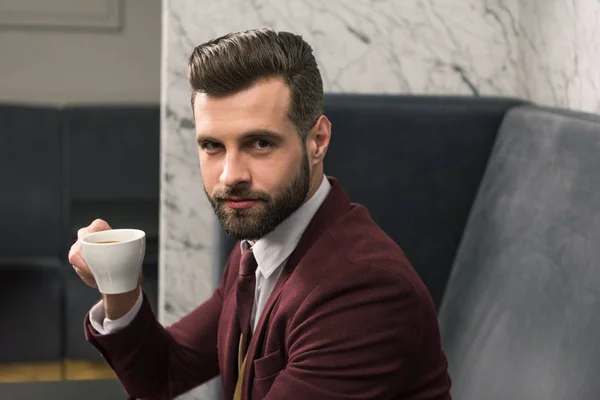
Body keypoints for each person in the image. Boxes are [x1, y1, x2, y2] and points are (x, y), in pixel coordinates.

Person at [68, 28, 452, 400]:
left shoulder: (365, 291)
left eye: (260, 143)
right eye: (212, 145)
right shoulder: (259, 246)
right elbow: (163, 373)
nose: (231, 175)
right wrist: (119, 283)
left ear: (317, 140)